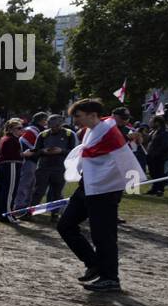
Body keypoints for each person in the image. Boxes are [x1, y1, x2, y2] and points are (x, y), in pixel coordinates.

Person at [57, 98, 143, 293]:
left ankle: (110, 278)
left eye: (78, 116)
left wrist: (131, 185)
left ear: (92, 114)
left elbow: (126, 161)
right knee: (65, 225)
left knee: (103, 235)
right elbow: (88, 155)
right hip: (86, 186)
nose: (76, 121)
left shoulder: (110, 133)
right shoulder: (91, 131)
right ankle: (94, 263)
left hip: (105, 190)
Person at [0, 118, 25, 223]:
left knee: (3, 191)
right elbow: (13, 154)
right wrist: (25, 154)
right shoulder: (10, 139)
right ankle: (7, 215)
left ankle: (1, 214)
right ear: (11, 129)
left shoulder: (6, 138)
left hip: (6, 166)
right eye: (19, 128)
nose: (22, 130)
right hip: (11, 166)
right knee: (9, 192)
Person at [15, 112, 46, 210]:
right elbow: (27, 147)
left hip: (34, 160)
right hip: (28, 160)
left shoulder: (38, 130)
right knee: (25, 184)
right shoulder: (31, 130)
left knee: (31, 185)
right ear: (41, 120)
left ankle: (26, 206)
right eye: (46, 120)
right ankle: (19, 205)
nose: (47, 122)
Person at [144, 115, 168, 196]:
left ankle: (160, 190)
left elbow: (165, 145)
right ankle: (154, 189)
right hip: (151, 156)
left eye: (152, 121)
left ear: (157, 122)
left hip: (159, 157)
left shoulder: (165, 132)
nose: (150, 123)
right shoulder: (153, 131)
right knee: (153, 174)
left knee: (159, 174)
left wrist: (155, 154)